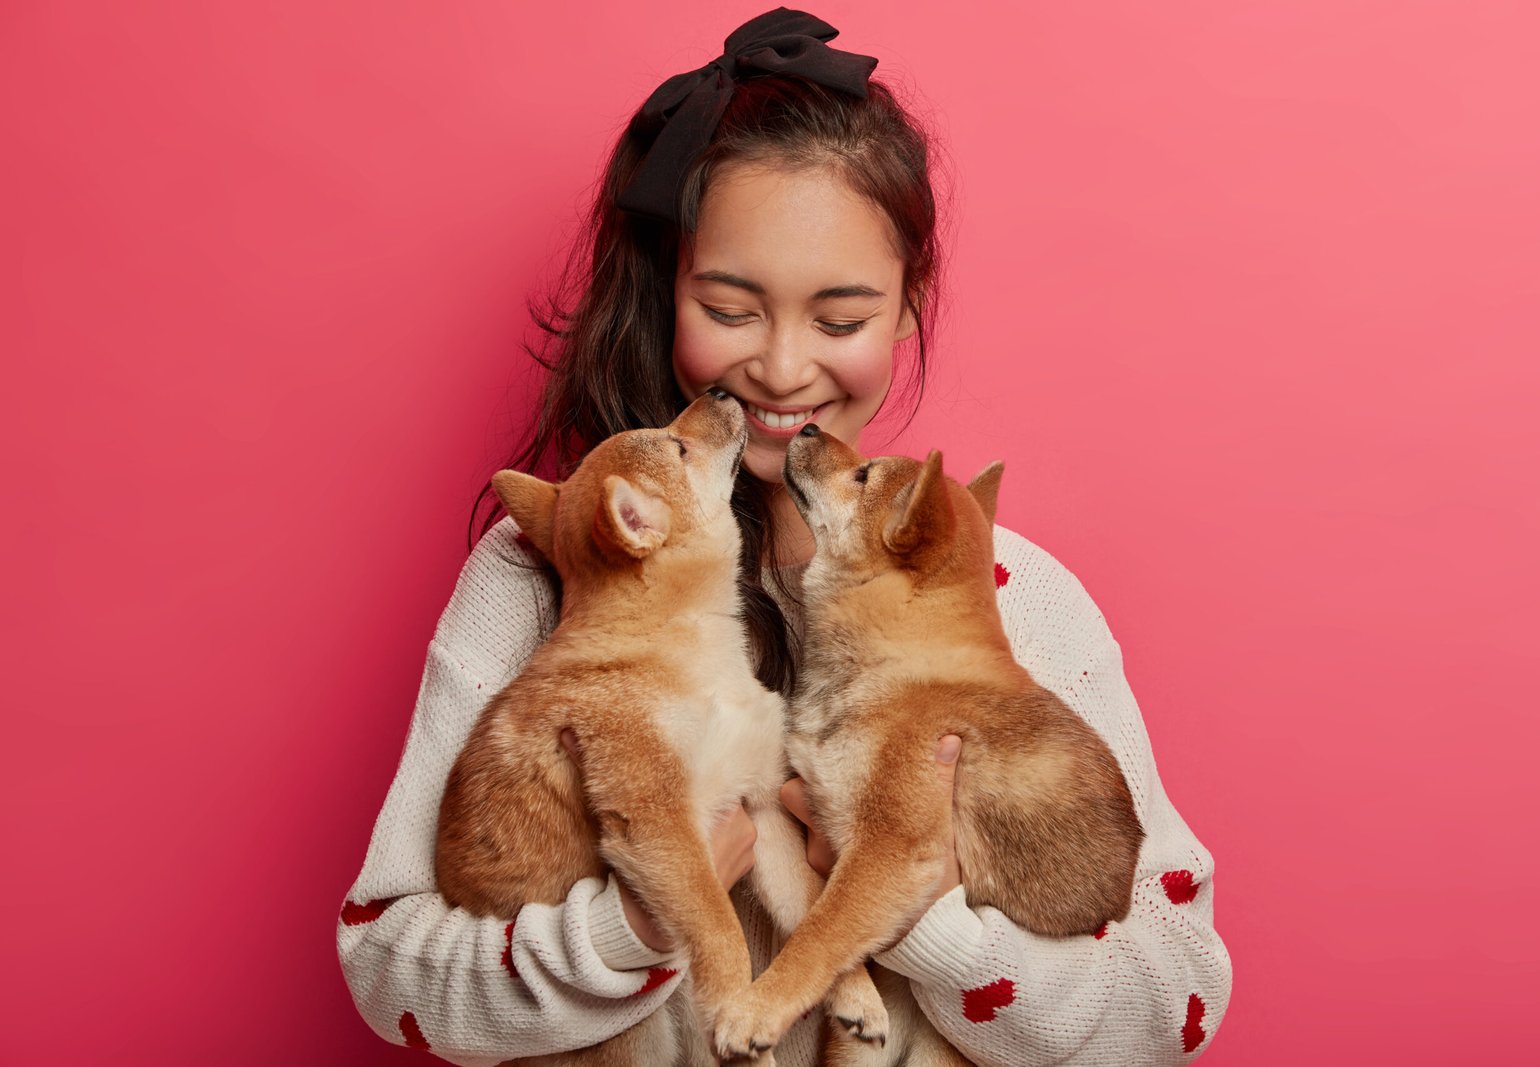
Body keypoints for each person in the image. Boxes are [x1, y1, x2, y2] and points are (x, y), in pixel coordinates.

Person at [336, 9, 1232, 1065]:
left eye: (840, 319)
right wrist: (633, 924)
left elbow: (1173, 1001)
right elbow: (390, 959)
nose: (781, 364)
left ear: (908, 308)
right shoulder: (543, 576)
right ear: (666, 289)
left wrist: (925, 914)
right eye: (731, 306)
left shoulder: (1008, 593)